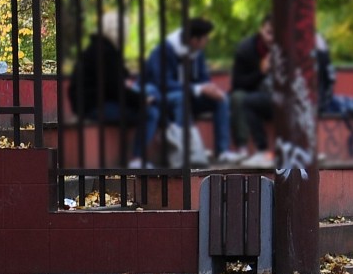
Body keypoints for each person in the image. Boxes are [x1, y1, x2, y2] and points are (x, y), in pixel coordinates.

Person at [68, 10, 160, 168]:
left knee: (151, 92)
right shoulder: (104, 53)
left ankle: (167, 126)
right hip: (94, 105)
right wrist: (141, 101)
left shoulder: (102, 49)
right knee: (150, 112)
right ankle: (137, 159)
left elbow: (117, 78)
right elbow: (114, 89)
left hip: (92, 102)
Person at [145, 17, 243, 165]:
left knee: (220, 99)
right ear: (194, 40)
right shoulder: (165, 50)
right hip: (164, 96)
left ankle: (222, 151)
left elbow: (203, 78)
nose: (207, 41)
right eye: (205, 38)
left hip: (189, 95)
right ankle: (186, 151)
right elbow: (163, 83)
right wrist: (197, 88)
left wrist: (210, 88)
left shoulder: (197, 52)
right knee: (181, 97)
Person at [230, 15, 274, 168]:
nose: (271, 38)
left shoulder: (286, 48)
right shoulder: (246, 49)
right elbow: (237, 83)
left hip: (276, 97)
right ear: (261, 30)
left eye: (275, 34)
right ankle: (243, 147)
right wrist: (261, 72)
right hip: (252, 92)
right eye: (269, 32)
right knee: (239, 98)